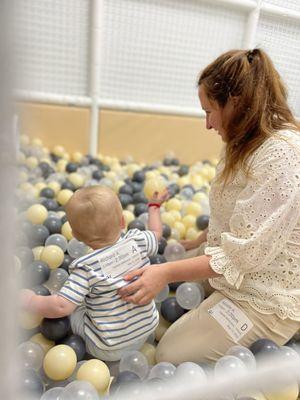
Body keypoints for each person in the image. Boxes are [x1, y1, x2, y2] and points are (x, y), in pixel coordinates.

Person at [118, 48, 300, 365]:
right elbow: (235, 216)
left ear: (237, 103)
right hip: (235, 266)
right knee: (167, 265)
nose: (207, 124)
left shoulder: (281, 155)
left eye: (209, 111)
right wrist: (195, 243)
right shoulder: (242, 141)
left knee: (169, 354)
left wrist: (164, 273)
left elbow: (242, 253)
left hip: (266, 292)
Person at [20, 185, 168, 361]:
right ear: (122, 221)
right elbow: (157, 233)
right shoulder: (137, 241)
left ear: (76, 236)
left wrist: (31, 301)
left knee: (75, 309)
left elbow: (61, 306)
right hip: (146, 329)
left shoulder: (85, 267)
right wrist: (154, 207)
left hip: (108, 347)